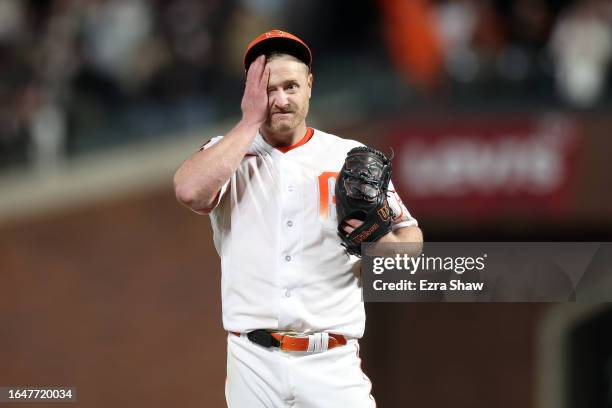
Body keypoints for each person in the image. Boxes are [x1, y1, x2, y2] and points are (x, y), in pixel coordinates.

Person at [174, 29, 423, 407]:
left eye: (291, 86)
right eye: (269, 90)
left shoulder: (347, 157)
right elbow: (189, 190)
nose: (281, 99)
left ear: (309, 85)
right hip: (252, 362)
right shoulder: (229, 155)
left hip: (331, 360)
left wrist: (376, 243)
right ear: (252, 93)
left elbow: (411, 246)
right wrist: (246, 124)